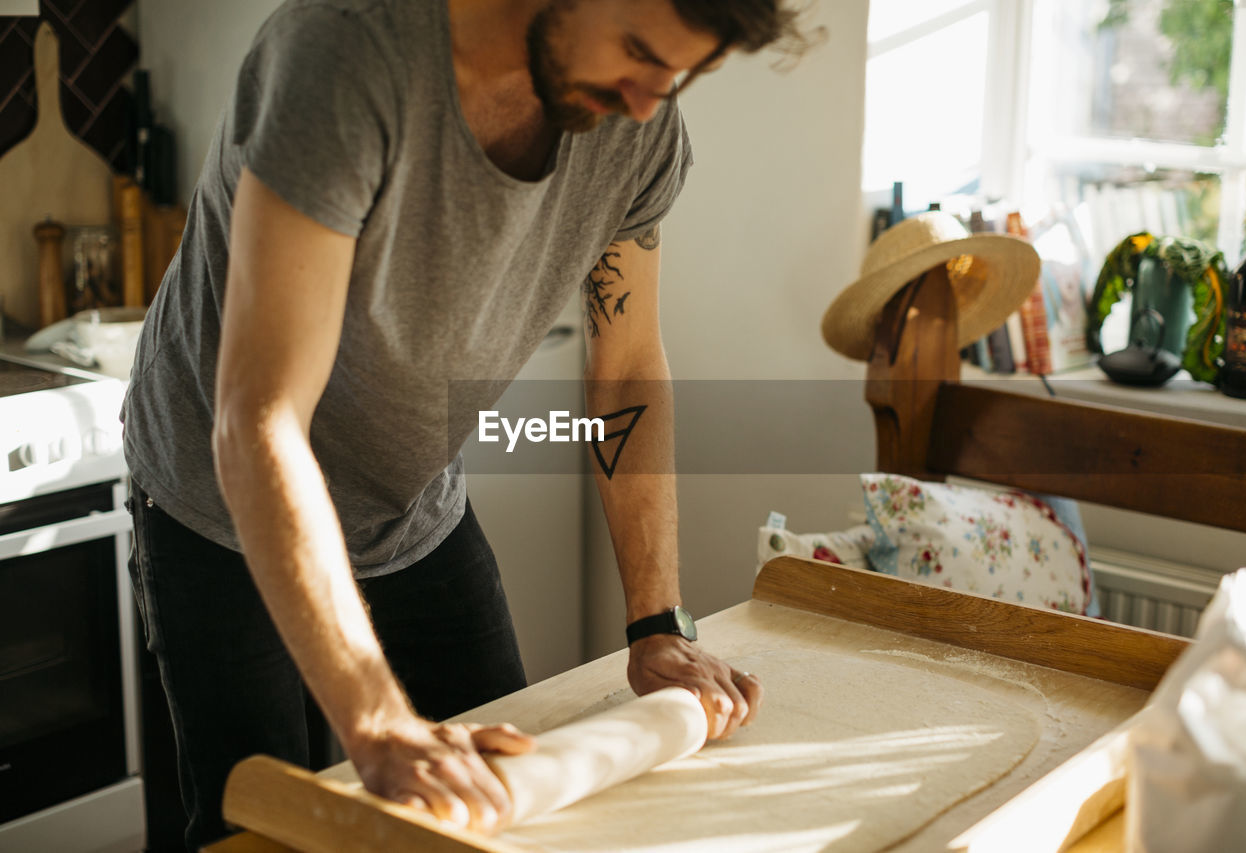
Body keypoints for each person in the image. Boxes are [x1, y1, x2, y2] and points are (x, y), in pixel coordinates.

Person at [123, 0, 807, 848]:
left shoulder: (639, 126)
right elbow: (261, 417)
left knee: (501, 803)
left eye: (683, 74)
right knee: (267, 830)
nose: (648, 102)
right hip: (220, 506)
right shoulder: (345, 54)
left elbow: (627, 365)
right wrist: (374, 718)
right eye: (636, 52)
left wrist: (657, 622)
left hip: (414, 508)